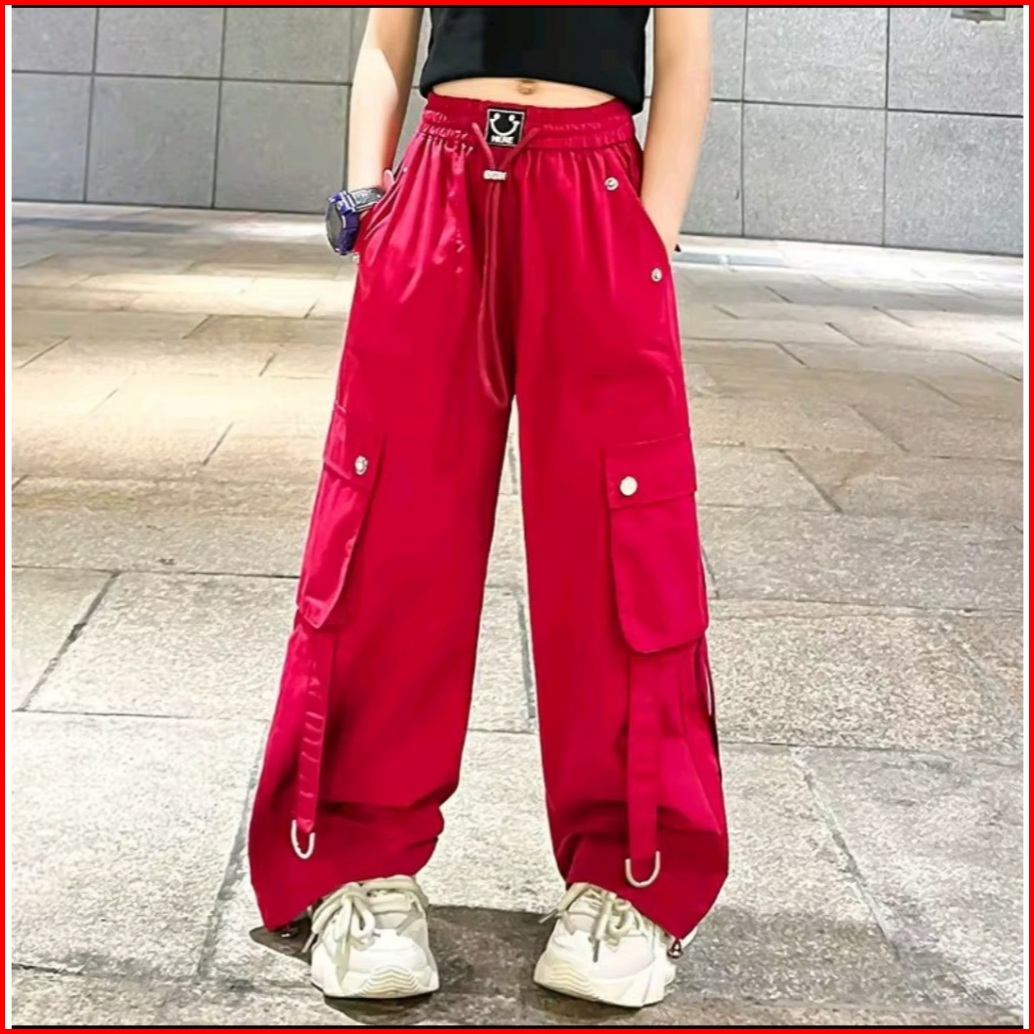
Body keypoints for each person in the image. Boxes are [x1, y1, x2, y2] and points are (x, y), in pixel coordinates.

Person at [248, 6, 727, 1010]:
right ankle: (355, 864)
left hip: (597, 189)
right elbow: (387, 40)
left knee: (616, 537)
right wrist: (370, 199)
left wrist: (651, 230)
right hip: (438, 184)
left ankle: (630, 872)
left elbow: (685, 53)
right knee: (389, 529)